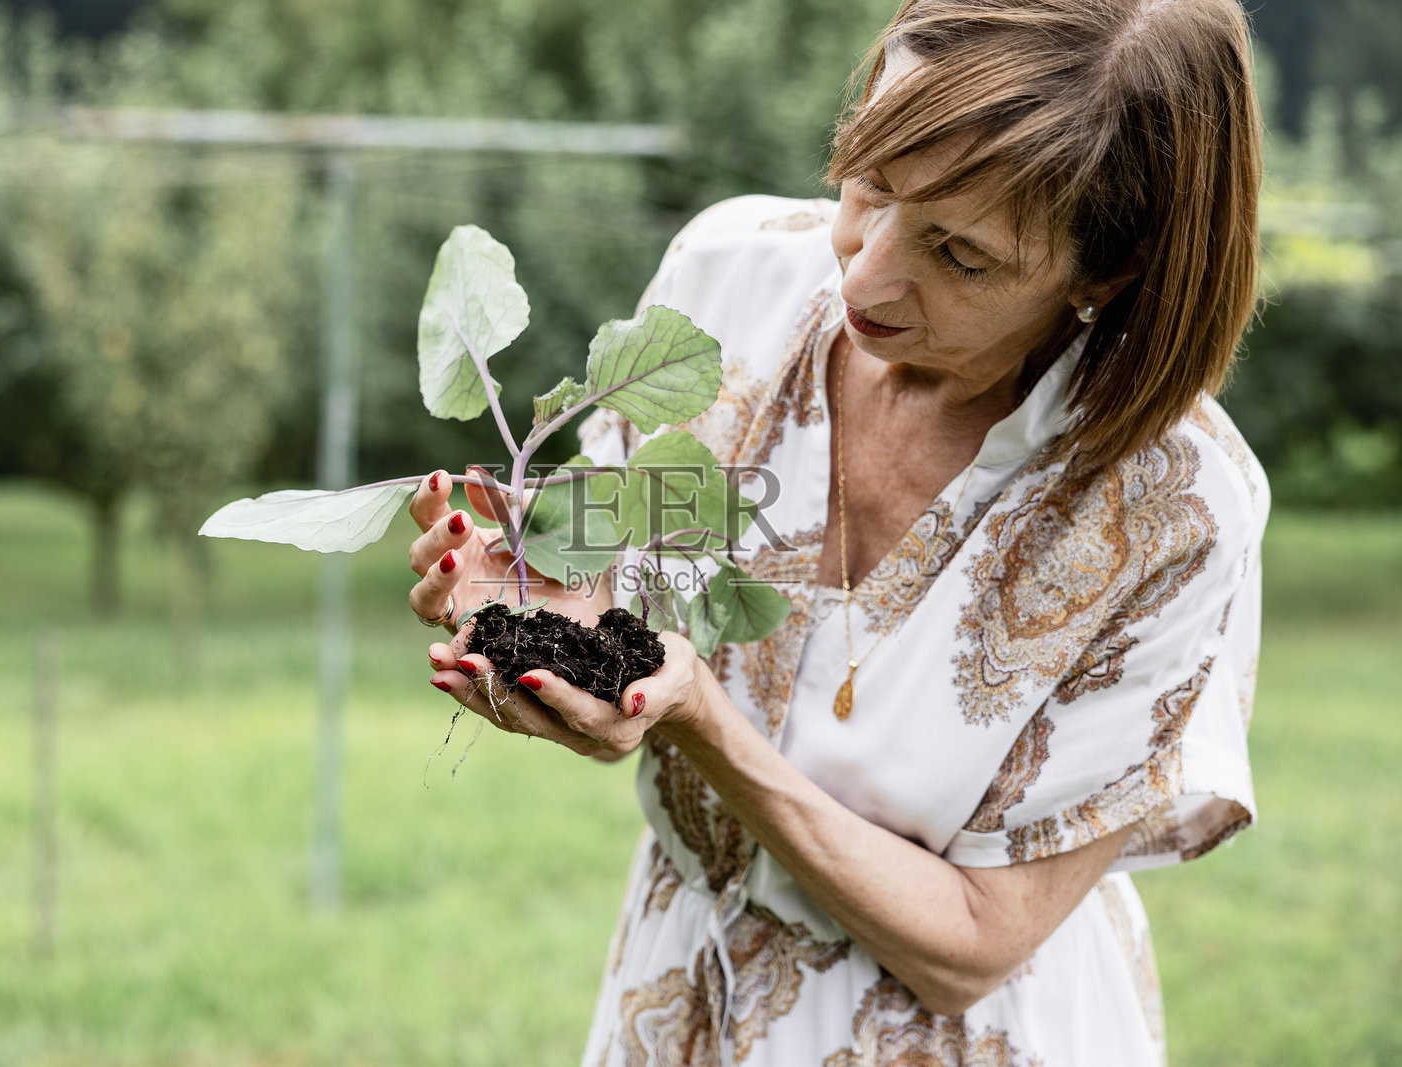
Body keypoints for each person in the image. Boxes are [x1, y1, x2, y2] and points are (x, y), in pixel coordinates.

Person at [408, 0, 1267, 1062]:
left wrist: (704, 721)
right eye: (870, 180)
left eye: (959, 254)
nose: (858, 271)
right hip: (676, 995)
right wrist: (534, 600)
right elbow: (610, 555)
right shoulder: (729, 276)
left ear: (1112, 268)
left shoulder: (1169, 508)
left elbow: (971, 944)